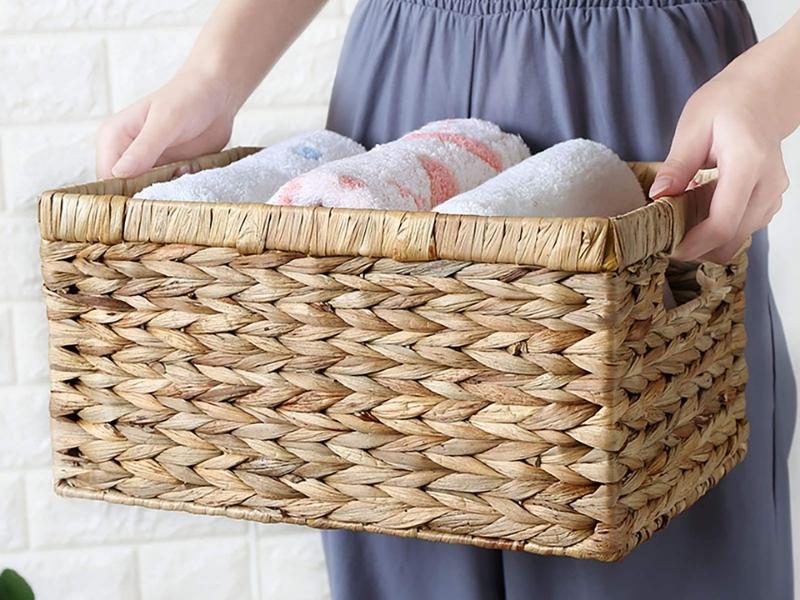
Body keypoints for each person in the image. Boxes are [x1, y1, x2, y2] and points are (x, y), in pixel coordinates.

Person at [95, 1, 799, 598]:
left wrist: (765, 91)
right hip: (405, 105)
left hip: (647, 99)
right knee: (398, 480)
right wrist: (214, 75)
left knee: (656, 501)